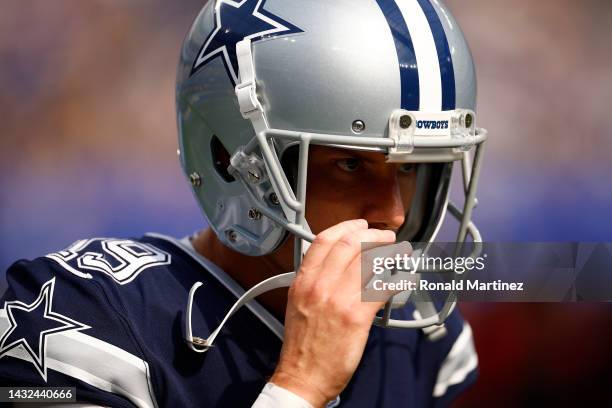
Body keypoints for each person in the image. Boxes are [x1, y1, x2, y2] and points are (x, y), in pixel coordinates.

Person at [0, 0, 487, 406]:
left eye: (410, 169)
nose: (395, 214)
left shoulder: (419, 336)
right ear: (229, 160)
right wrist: (301, 385)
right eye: (351, 166)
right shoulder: (81, 315)